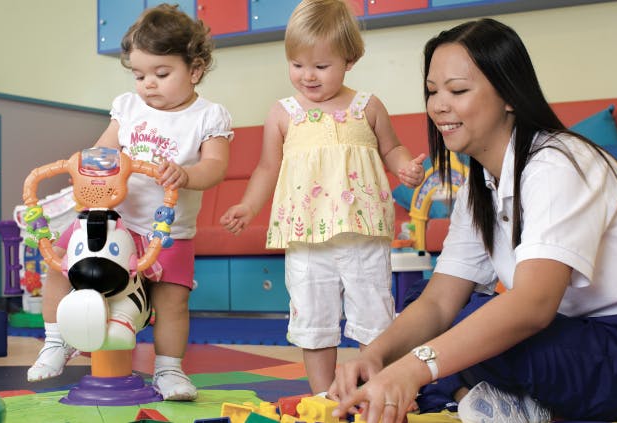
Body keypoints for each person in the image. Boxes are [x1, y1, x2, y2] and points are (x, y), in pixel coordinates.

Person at [328, 17, 617, 423]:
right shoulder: (483, 183)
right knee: (422, 305)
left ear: (510, 95)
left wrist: (411, 367)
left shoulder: (557, 164)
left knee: (481, 333)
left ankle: (490, 396)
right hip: (578, 342)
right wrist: (375, 356)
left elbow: (532, 306)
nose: (439, 105)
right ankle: (500, 398)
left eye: (457, 90)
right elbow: (440, 302)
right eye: (432, 91)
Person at [27, 4, 232, 402]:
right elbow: (102, 151)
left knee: (172, 301)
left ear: (195, 69)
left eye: (161, 73)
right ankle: (55, 341)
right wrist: (86, 164)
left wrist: (187, 175)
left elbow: (216, 166)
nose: (148, 84)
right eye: (139, 75)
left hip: (168, 231)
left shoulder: (208, 117)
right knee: (59, 265)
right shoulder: (128, 107)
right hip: (110, 221)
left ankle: (169, 370)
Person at [219, 0, 425, 395]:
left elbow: (392, 149)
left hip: (363, 233)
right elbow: (266, 168)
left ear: (349, 60)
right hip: (307, 237)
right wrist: (248, 206)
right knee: (314, 320)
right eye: (297, 65)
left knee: (375, 317)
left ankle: (379, 389)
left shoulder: (368, 106)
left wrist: (404, 168)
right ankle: (321, 397)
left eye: (320, 66)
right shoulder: (284, 113)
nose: (307, 76)